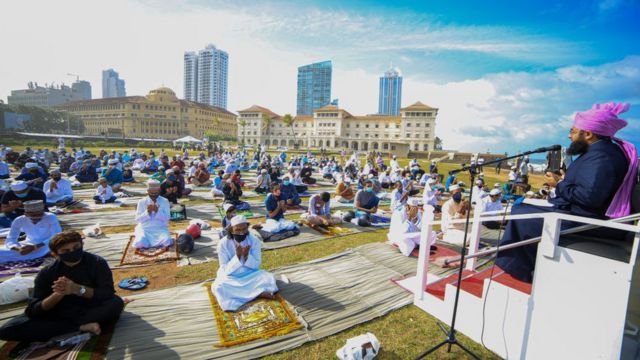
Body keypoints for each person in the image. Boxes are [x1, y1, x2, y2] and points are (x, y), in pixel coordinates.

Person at [496, 102, 637, 283]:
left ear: (588, 134)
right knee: (521, 207)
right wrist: (563, 181)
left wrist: (559, 183)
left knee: (521, 214)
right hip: (585, 214)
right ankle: (525, 266)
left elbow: (589, 197)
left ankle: (523, 272)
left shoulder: (602, 156)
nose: (569, 135)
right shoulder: (600, 152)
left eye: (573, 130)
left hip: (592, 222)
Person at [0, 231, 124, 342]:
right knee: (7, 330)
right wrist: (58, 294)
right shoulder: (47, 273)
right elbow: (34, 310)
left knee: (116, 303)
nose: (73, 252)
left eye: (76, 247)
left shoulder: (97, 263)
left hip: (89, 307)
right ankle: (79, 327)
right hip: (60, 311)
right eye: (66, 251)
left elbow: (106, 293)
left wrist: (78, 289)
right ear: (55, 254)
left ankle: (63, 328)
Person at [211, 215, 278, 312]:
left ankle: (244, 296)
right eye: (237, 230)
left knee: (268, 277)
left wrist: (247, 257)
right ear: (231, 230)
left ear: (247, 228)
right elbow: (224, 269)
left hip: (250, 274)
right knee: (219, 287)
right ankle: (257, 293)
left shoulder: (254, 240)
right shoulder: (223, 244)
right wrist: (237, 257)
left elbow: (257, 265)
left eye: (244, 229)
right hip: (231, 276)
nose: (241, 233)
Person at [133, 180, 173, 249]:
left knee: (167, 241)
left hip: (160, 228)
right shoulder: (142, 202)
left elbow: (167, 218)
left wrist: (158, 211)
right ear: (147, 191)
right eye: (151, 193)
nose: (154, 195)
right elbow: (138, 219)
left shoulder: (165, 201)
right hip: (145, 229)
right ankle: (146, 242)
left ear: (159, 190)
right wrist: (147, 212)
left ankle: (149, 244)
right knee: (139, 243)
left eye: (156, 193)